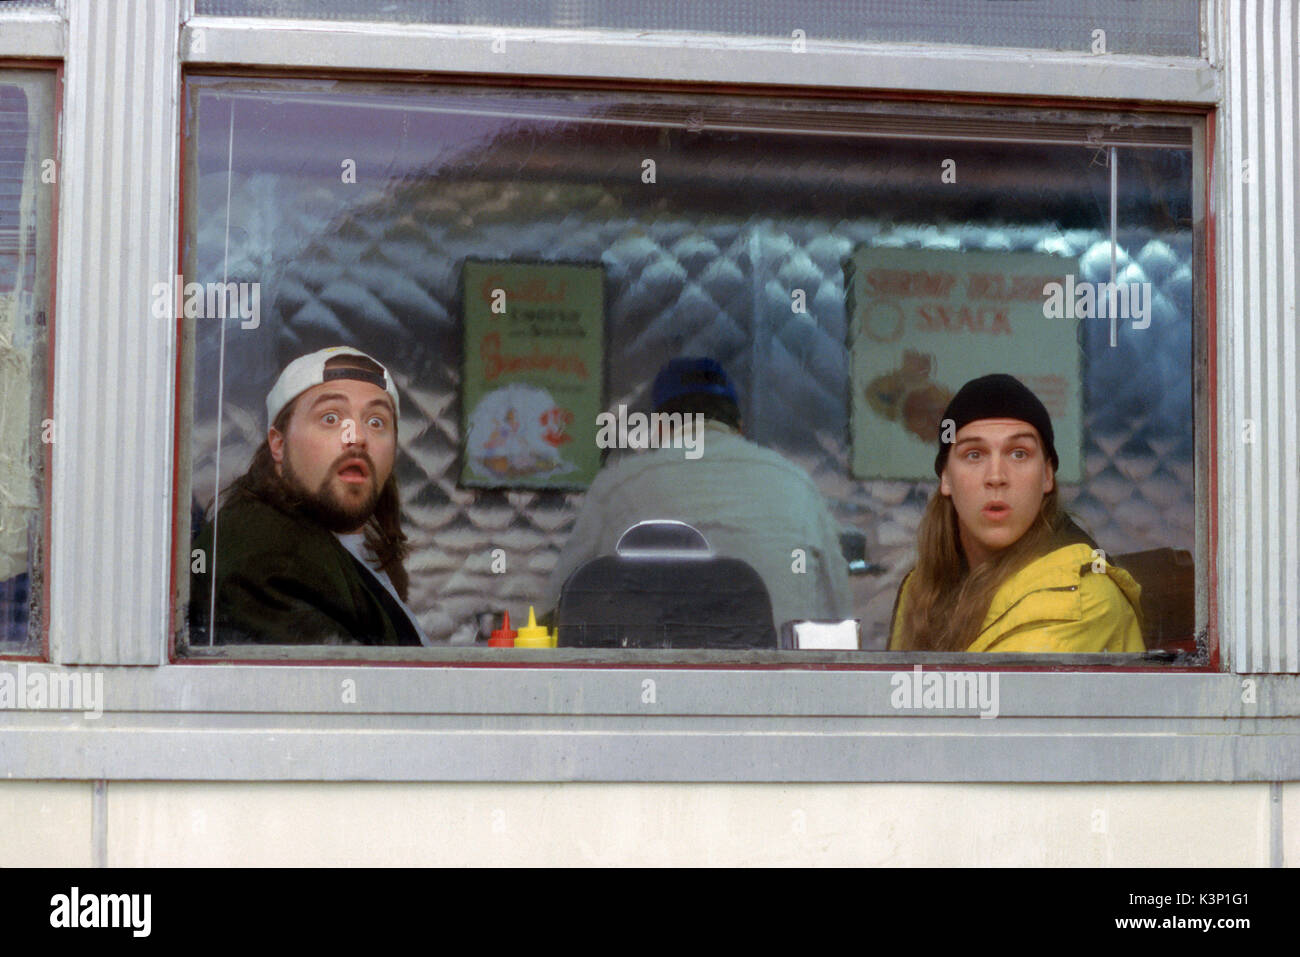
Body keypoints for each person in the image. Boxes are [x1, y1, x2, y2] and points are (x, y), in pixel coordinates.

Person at [545, 357, 852, 633]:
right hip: (779, 686)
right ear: (739, 427)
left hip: (651, 683)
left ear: (660, 428)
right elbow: (839, 615)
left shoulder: (617, 486)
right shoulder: (797, 484)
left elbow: (553, 610)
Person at [889, 373, 1143, 653]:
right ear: (946, 478)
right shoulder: (922, 588)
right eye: (974, 454)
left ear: (1047, 475)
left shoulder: (1082, 597)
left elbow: (986, 696)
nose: (996, 476)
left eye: (1019, 453)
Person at [190, 346, 427, 645]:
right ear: (278, 444)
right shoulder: (263, 559)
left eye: (376, 421)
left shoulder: (352, 546)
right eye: (330, 418)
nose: (356, 436)